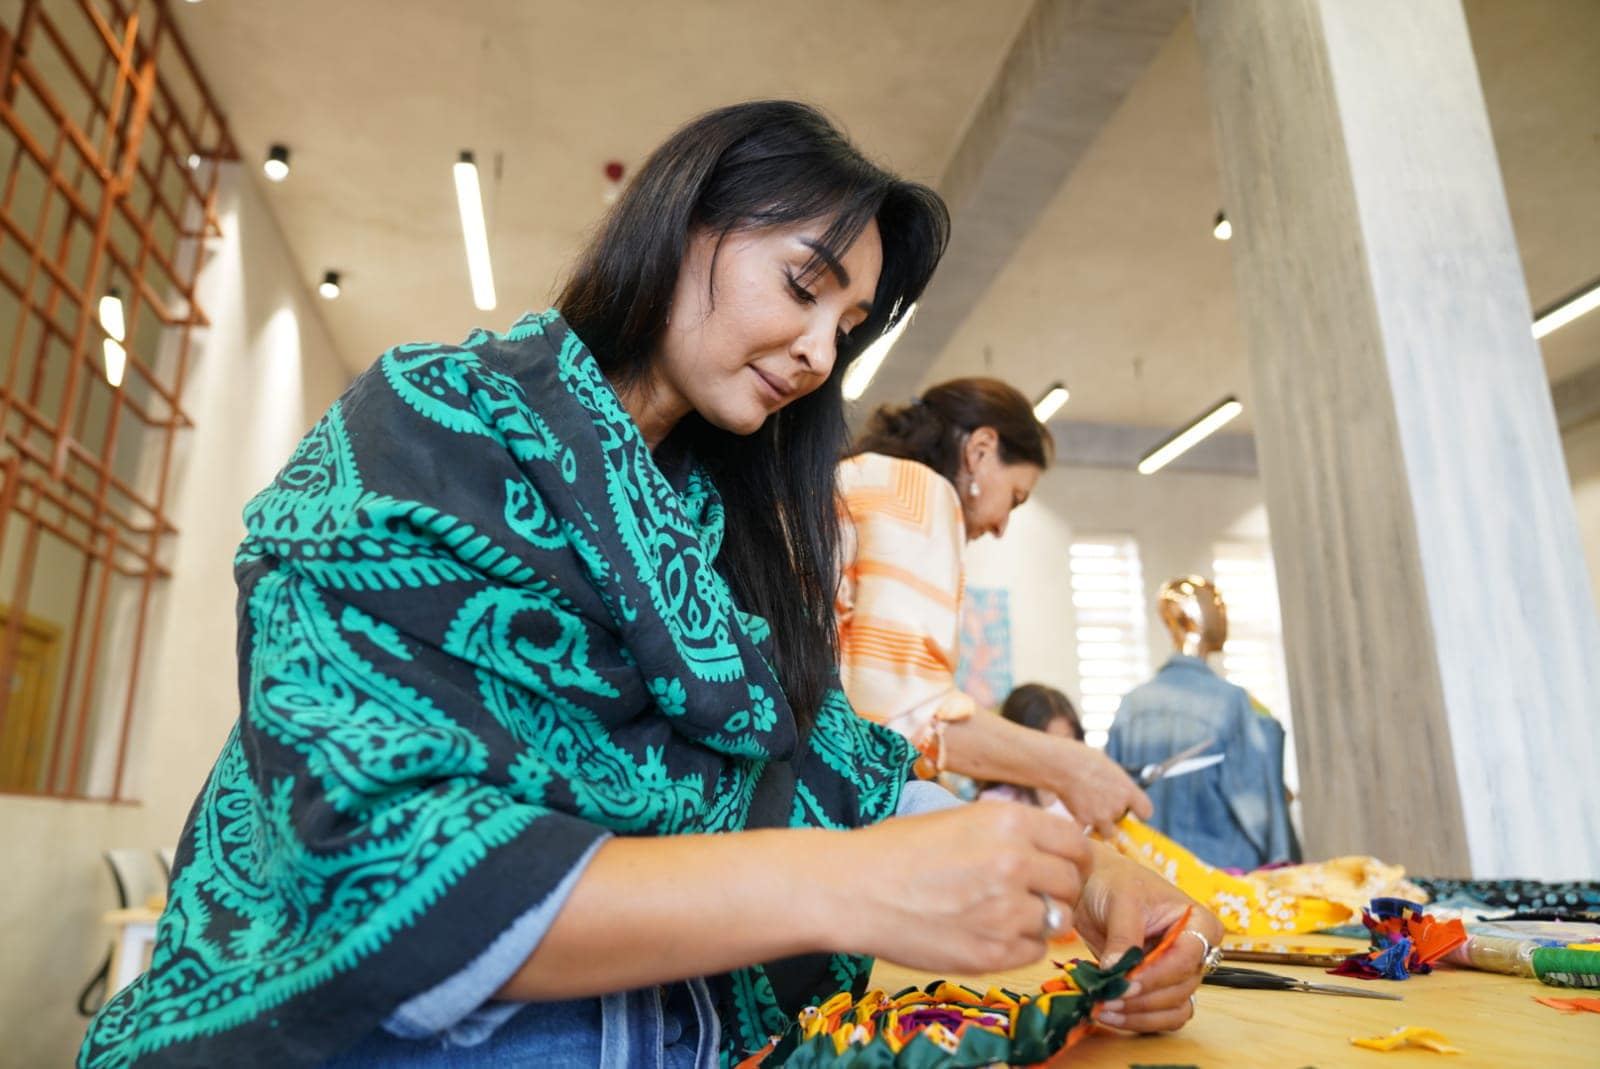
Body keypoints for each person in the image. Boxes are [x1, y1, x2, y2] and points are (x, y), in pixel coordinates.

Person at [79, 101, 1218, 1069]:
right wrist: (839, 883)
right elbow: (373, 851)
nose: (821, 353)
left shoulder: (720, 538)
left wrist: (1089, 872)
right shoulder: (431, 422)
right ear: (681, 226)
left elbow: (835, 767)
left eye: (847, 326)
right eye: (802, 285)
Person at [836, 380, 1151, 835]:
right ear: (980, 450)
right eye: (1016, 498)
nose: (1003, 526)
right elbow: (903, 714)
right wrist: (1071, 767)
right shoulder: (918, 491)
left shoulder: (862, 477)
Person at [1106, 576, 1298, 871]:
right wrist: (1281, 866)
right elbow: (1258, 811)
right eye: (1214, 604)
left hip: (1147, 876)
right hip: (1219, 878)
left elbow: (1111, 801)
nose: (1223, 615)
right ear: (1190, 616)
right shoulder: (1231, 703)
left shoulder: (1131, 707)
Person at [979, 683, 1085, 812]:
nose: (1059, 757)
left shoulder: (1084, 796)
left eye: (1066, 742)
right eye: (1048, 747)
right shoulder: (996, 803)